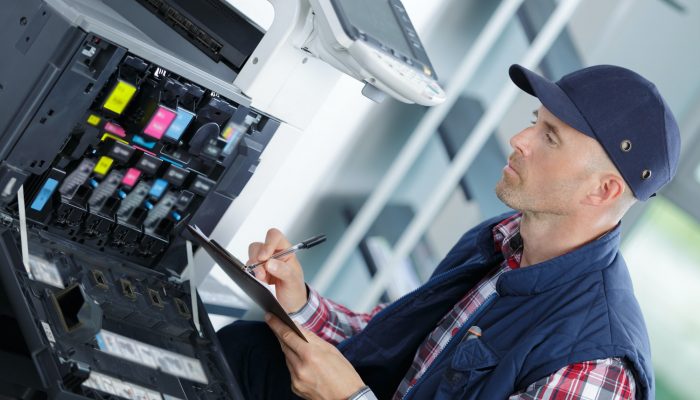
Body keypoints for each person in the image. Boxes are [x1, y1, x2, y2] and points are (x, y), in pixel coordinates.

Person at [217, 63, 680, 400]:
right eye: (534, 122)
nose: (519, 140)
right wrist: (298, 302)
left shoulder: (594, 365)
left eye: (551, 137)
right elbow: (393, 346)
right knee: (245, 347)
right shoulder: (503, 242)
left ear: (602, 191)